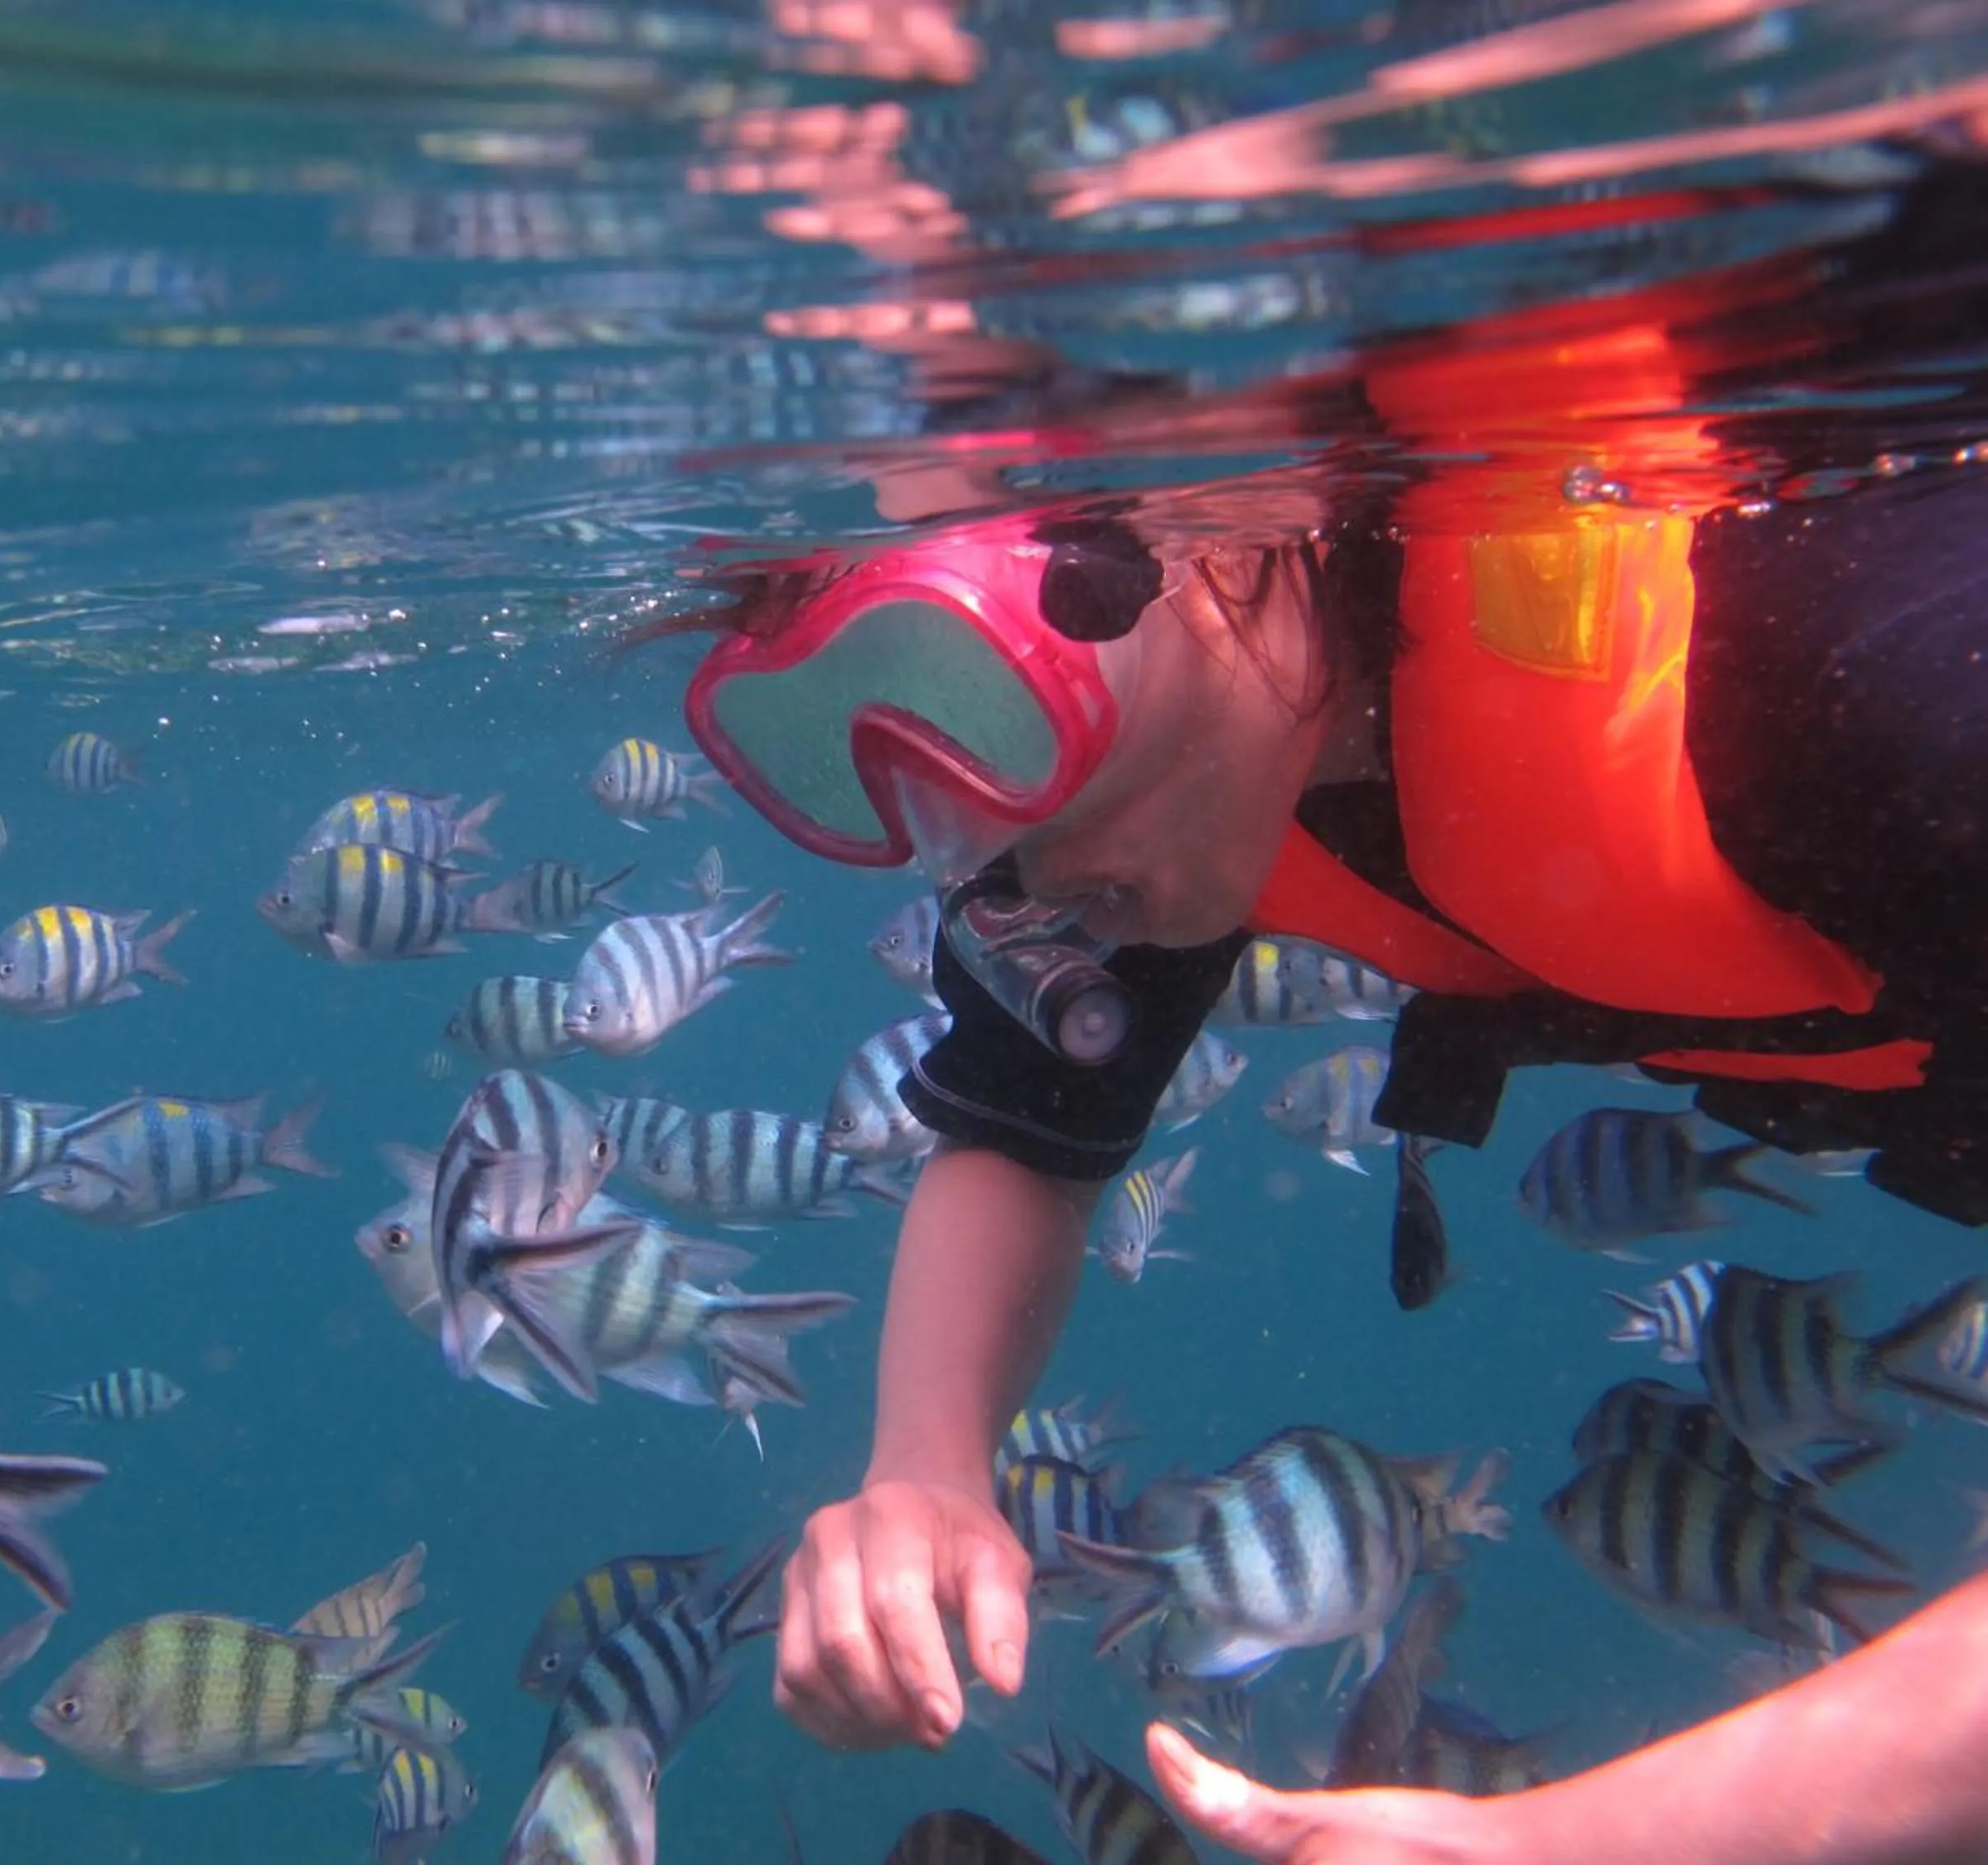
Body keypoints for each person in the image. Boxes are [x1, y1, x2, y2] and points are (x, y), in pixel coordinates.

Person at [670, 151, 1988, 1863]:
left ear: (1195, 553)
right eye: (923, 804)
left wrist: (1579, 1844)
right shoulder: (1182, 789)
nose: (1004, 875)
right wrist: (922, 1469)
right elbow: (1021, 1135)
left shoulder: (1877, 663)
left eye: (1006, 701)